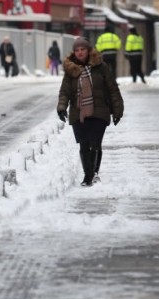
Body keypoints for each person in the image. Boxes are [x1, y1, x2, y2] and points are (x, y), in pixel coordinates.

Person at [56, 37, 124, 187]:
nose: (80, 53)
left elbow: (112, 89)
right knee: (84, 144)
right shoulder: (70, 70)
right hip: (78, 112)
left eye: (83, 49)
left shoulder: (101, 67)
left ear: (88, 50)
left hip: (100, 111)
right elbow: (65, 92)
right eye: (77, 50)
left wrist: (117, 111)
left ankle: (90, 175)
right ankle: (89, 174)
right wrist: (61, 108)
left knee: (95, 143)